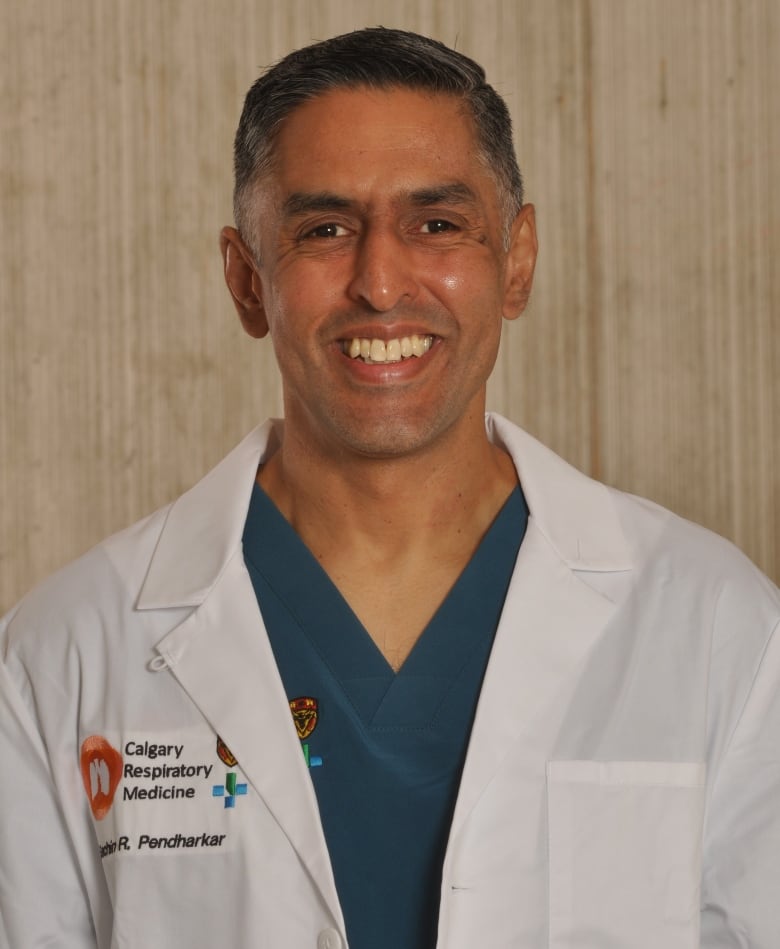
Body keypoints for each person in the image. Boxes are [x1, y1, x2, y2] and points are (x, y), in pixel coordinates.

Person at [0, 27, 778, 949]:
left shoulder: (718, 625)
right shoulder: (67, 653)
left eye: (437, 224)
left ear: (517, 260)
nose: (379, 281)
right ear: (247, 282)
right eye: (325, 229)